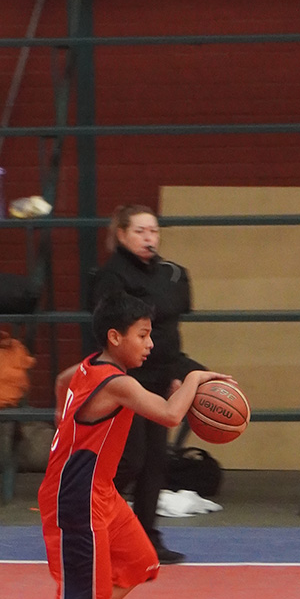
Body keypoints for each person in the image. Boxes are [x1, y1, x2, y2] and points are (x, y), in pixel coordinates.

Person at [0, 291, 230, 599]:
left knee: (140, 562)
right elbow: (170, 415)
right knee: (81, 598)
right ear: (115, 337)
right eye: (143, 335)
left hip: (99, 490)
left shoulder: (89, 366)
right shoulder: (117, 383)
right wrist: (193, 380)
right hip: (76, 495)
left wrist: (65, 423)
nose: (150, 343)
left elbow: (62, 382)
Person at [88, 204, 208, 564]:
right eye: (139, 231)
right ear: (121, 234)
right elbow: (113, 334)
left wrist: (178, 373)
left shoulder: (171, 274)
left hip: (159, 374)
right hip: (125, 379)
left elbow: (169, 334)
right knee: (131, 459)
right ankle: (89, 522)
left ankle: (145, 537)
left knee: (156, 461)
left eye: (153, 231)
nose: (148, 238)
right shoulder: (110, 277)